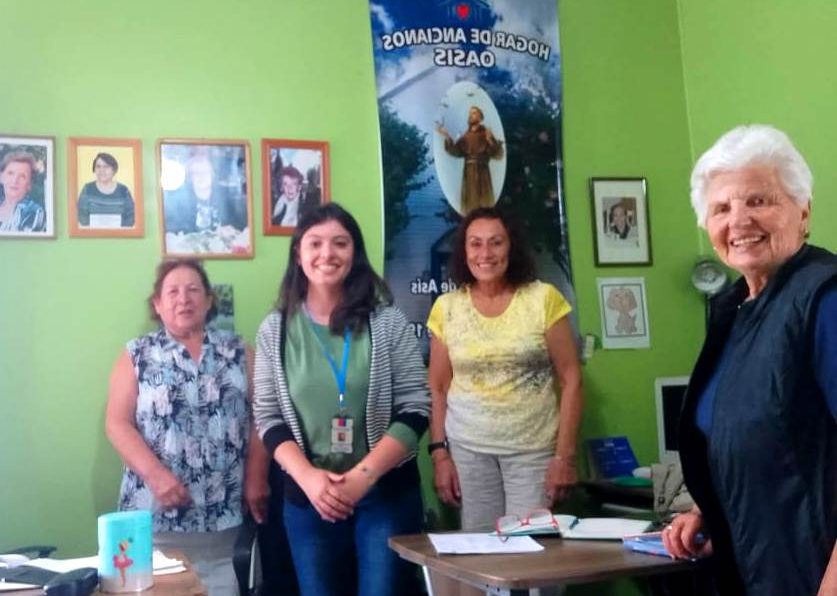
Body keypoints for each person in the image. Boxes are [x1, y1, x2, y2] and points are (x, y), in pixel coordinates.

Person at [661, 124, 837, 596]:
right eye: (722, 208)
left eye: (759, 201)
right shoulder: (736, 310)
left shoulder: (826, 298)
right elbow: (760, 446)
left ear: (803, 211)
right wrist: (713, 514)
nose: (739, 221)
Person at [253, 203, 430, 596]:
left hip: (384, 494)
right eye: (314, 243)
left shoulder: (387, 321)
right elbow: (267, 416)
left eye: (340, 243)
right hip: (309, 498)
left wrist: (362, 477)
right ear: (298, 255)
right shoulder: (275, 329)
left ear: (356, 253)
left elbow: (415, 407)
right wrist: (309, 479)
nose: (327, 254)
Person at [105, 259, 272, 595]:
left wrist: (257, 475)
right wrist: (156, 476)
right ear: (157, 304)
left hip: (226, 525)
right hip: (155, 525)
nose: (184, 298)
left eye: (194, 289)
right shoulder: (137, 355)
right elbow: (117, 423)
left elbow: (264, 415)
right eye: (173, 291)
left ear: (209, 300)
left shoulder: (239, 351)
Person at [427, 206, 583, 531]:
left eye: (496, 242)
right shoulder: (447, 308)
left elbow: (571, 379)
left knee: (536, 563)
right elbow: (438, 388)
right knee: (481, 558)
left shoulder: (543, 299)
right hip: (468, 453)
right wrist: (440, 457)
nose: (485, 253)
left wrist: (564, 458)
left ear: (511, 247)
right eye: (476, 243)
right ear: (464, 250)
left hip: (534, 452)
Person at [437, 106, 504, 213]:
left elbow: (498, 154)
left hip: (483, 173)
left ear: (480, 117)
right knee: (470, 204)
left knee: (485, 203)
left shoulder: (486, 134)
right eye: (470, 113)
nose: (470, 116)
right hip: (469, 174)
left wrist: (490, 140)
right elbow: (456, 151)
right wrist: (447, 136)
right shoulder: (465, 137)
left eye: (474, 113)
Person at [164, 151, 246, 234]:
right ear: (190, 177)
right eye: (196, 173)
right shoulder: (179, 200)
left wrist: (231, 229)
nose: (201, 177)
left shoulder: (226, 196)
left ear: (212, 174)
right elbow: (172, 229)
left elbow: (242, 224)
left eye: (205, 172)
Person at [77, 152, 135, 228]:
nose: (102, 170)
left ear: (113, 170)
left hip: (119, 237)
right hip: (92, 237)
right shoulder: (87, 189)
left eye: (106, 167)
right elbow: (81, 216)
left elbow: (131, 217)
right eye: (98, 166)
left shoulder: (124, 190)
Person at [0, 151, 45, 232]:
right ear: (1, 177)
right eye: (10, 173)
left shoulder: (34, 211)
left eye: (22, 176)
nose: (15, 180)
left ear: (29, 185)